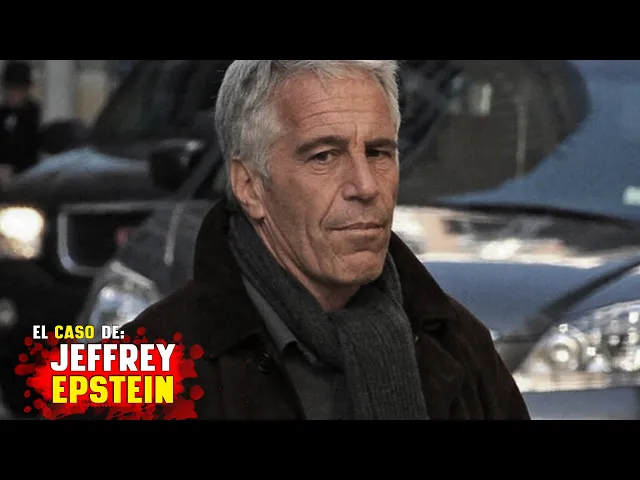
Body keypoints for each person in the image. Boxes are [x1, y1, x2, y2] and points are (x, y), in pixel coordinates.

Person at [122, 60, 530, 420]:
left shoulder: (456, 343)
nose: (365, 186)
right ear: (249, 186)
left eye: (378, 153)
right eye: (324, 156)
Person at [0, 60, 41, 177]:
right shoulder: (3, 112)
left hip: (24, 175)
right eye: (9, 88)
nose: (12, 94)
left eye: (17, 89)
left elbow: (29, 149)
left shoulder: (32, 113)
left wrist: (13, 170)